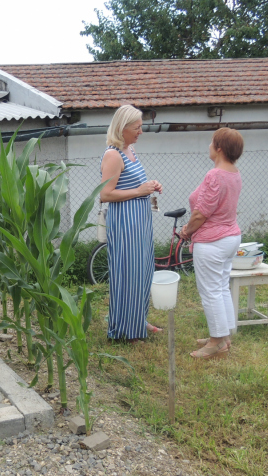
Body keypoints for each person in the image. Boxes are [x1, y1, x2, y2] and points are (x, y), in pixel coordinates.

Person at [100, 105, 163, 343]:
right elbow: (105, 194)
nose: (141, 131)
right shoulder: (113, 155)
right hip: (126, 224)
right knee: (128, 274)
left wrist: (151, 185)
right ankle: (126, 330)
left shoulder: (130, 150)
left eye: (141, 126)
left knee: (144, 272)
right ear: (122, 128)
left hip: (140, 221)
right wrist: (139, 190)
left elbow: (132, 183)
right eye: (137, 127)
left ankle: (138, 320)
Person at [179, 128, 244, 359]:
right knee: (221, 287)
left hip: (213, 241)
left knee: (211, 291)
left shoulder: (214, 175)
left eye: (211, 142)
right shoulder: (234, 173)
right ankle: (224, 337)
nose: (208, 146)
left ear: (219, 148)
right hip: (229, 237)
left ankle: (216, 343)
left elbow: (200, 214)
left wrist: (187, 230)